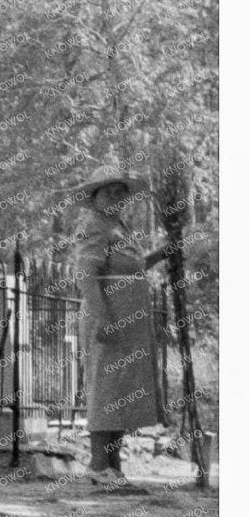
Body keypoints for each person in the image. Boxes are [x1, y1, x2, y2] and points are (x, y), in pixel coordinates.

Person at [70, 164, 170, 483]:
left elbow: (134, 266)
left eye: (120, 193)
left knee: (121, 392)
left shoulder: (120, 228)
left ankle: (114, 465)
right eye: (109, 192)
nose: (116, 197)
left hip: (129, 323)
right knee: (105, 388)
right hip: (109, 316)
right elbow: (86, 274)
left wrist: (165, 253)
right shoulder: (94, 225)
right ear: (95, 196)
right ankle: (99, 465)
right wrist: (103, 317)